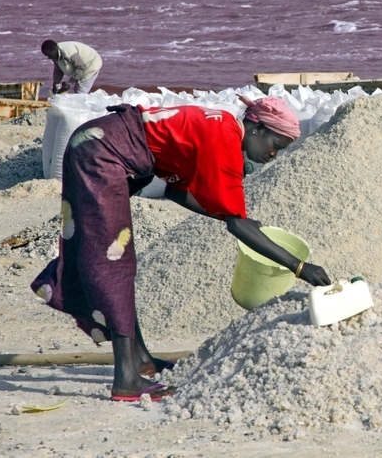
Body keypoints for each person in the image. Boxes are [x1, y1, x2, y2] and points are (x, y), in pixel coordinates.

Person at [30, 95, 330, 402]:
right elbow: (237, 225)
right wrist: (300, 267)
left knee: (111, 255)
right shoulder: (223, 142)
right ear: (255, 128)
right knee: (114, 262)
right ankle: (126, 379)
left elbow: (176, 192)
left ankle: (141, 359)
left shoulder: (223, 128)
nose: (274, 154)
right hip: (101, 154)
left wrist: (232, 218)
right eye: (275, 144)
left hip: (103, 147)